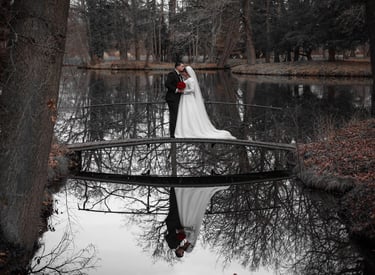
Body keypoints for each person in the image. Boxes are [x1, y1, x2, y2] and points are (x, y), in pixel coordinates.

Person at [174, 66, 235, 139]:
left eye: (183, 72)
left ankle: (189, 129)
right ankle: (183, 129)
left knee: (189, 112)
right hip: (184, 98)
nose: (182, 73)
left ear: (187, 73)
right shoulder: (186, 79)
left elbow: (192, 90)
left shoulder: (191, 80)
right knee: (184, 112)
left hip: (189, 98)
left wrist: (183, 91)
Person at [174, 186, 229, 253]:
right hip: (189, 223)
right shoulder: (190, 240)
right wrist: (182, 230)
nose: (184, 246)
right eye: (185, 247)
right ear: (187, 246)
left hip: (188, 223)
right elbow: (191, 231)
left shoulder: (189, 240)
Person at [165, 187, 191, 257]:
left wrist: (178, 231)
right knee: (178, 204)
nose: (183, 251)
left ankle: (173, 187)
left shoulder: (172, 246)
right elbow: (181, 236)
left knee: (175, 204)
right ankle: (177, 188)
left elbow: (167, 237)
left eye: (182, 253)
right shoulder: (179, 244)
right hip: (177, 221)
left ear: (178, 253)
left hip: (173, 221)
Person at [165, 62, 185, 138]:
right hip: (172, 98)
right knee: (173, 116)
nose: (183, 67)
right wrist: (176, 90)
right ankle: (172, 134)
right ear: (177, 67)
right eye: (182, 66)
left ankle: (176, 132)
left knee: (176, 115)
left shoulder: (179, 75)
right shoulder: (172, 74)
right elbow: (167, 84)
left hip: (177, 98)